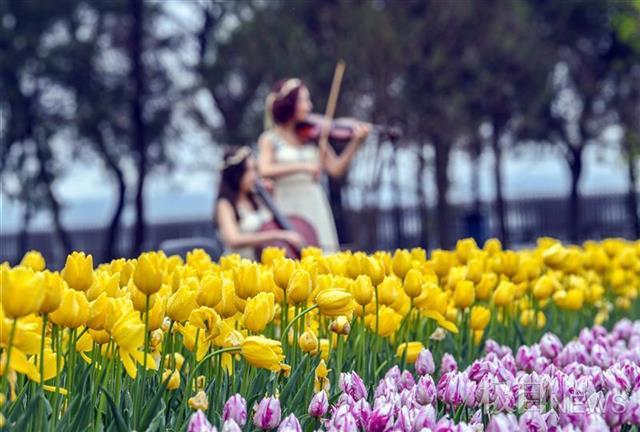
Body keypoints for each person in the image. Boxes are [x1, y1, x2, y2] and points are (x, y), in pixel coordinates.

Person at [257, 78, 370, 252]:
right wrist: (303, 167)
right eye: (304, 100)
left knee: (322, 253)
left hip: (314, 201)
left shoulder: (314, 137)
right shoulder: (270, 139)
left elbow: (336, 169)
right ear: (289, 103)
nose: (309, 106)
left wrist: (355, 144)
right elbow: (265, 169)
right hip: (286, 203)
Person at [214, 146, 304, 260]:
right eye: (248, 171)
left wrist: (271, 196)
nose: (254, 176)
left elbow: (271, 222)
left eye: (255, 169)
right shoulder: (224, 204)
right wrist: (278, 235)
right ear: (236, 175)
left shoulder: (257, 199)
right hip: (240, 265)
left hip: (261, 263)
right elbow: (233, 240)